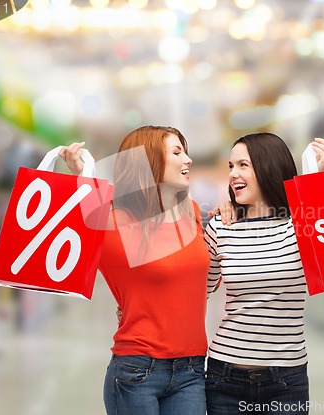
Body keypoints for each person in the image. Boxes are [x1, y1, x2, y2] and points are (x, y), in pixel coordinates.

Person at [59, 126, 210, 415]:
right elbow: (69, 235)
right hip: (137, 370)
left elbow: (201, 281)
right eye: (177, 152)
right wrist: (82, 175)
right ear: (148, 162)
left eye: (186, 151)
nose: (188, 159)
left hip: (192, 369)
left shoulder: (191, 211)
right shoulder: (116, 222)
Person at [204, 133, 324, 415]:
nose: (233, 174)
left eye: (243, 165)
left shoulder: (303, 224)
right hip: (224, 376)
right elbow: (197, 290)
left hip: (286, 380)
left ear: (268, 168)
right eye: (231, 166)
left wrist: (319, 174)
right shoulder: (221, 226)